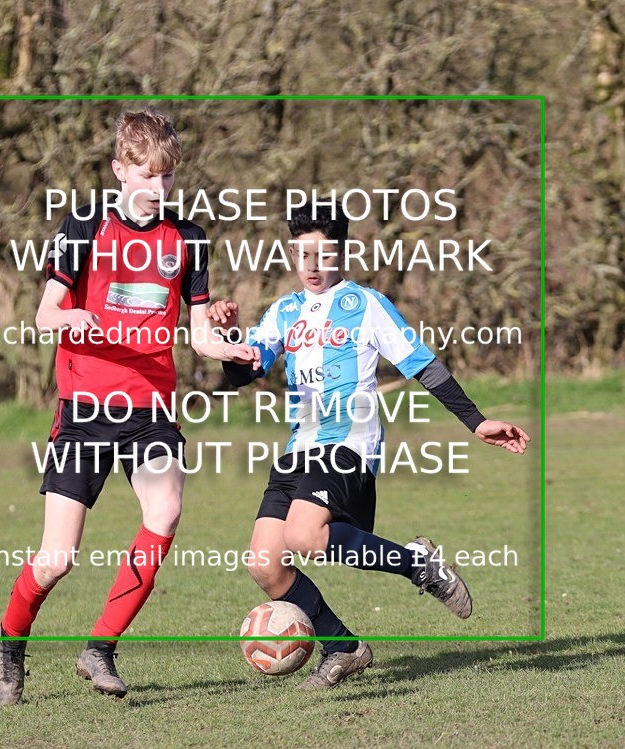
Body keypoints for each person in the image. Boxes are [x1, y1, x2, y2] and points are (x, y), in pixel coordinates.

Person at [0, 109, 259, 705]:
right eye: (146, 175)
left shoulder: (187, 238)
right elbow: (44, 315)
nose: (158, 189)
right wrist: (72, 316)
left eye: (167, 178)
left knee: (164, 511)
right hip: (86, 403)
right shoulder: (83, 226)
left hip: (152, 405)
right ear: (119, 170)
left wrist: (233, 345)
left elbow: (197, 334)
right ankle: (11, 645)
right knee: (57, 558)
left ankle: (101, 649)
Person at [209, 200, 529, 689]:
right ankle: (345, 647)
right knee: (265, 564)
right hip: (300, 446)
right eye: (302, 253)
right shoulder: (284, 311)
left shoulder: (366, 305)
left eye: (323, 253)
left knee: (304, 535)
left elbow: (423, 364)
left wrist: (476, 422)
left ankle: (420, 567)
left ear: (341, 252)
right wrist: (227, 334)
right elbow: (241, 373)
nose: (312, 265)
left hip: (348, 440)